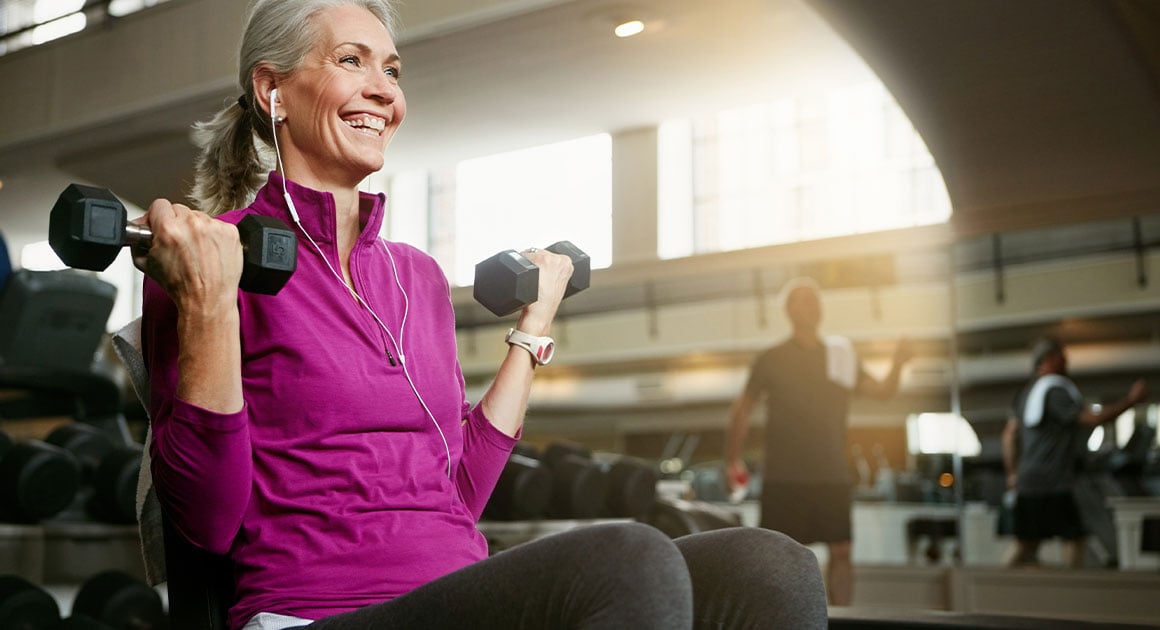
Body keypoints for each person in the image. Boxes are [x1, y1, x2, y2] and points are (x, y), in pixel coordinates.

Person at [133, 1, 828, 629]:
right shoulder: (212, 259)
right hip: (315, 612)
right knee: (628, 557)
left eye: (393, 70)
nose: (384, 90)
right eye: (351, 61)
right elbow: (207, 525)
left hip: (454, 593)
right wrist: (207, 305)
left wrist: (535, 327)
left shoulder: (418, 278)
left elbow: (458, 496)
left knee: (770, 566)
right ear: (272, 89)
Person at [725, 277, 913, 606]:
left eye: (814, 299)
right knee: (776, 555)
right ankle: (776, 620)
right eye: (800, 299)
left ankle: (842, 621)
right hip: (785, 477)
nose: (809, 304)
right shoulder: (772, 358)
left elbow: (883, 392)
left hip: (831, 475)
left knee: (842, 552)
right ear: (787, 310)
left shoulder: (840, 355)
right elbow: (742, 409)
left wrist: (898, 364)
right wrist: (732, 460)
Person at [1002, 336, 1147, 568]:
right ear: (1049, 360)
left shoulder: (1026, 393)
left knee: (1026, 543)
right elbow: (1092, 418)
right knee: (1075, 539)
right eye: (1062, 357)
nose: (1066, 362)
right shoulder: (1056, 391)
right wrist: (1131, 401)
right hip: (1053, 481)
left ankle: (995, 589)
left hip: (1028, 480)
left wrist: (1012, 472)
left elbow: (1009, 435)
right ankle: (1069, 593)